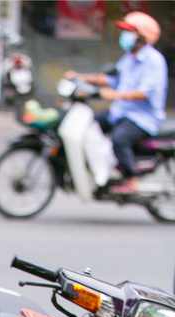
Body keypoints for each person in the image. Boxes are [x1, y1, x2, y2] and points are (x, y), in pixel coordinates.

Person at [66, 11, 167, 195]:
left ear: (142, 37)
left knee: (119, 140)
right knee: (89, 122)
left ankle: (131, 180)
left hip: (143, 117)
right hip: (120, 111)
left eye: (130, 32)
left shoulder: (154, 61)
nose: (125, 36)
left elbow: (144, 93)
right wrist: (80, 77)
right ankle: (97, 170)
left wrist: (114, 94)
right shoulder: (129, 58)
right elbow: (111, 79)